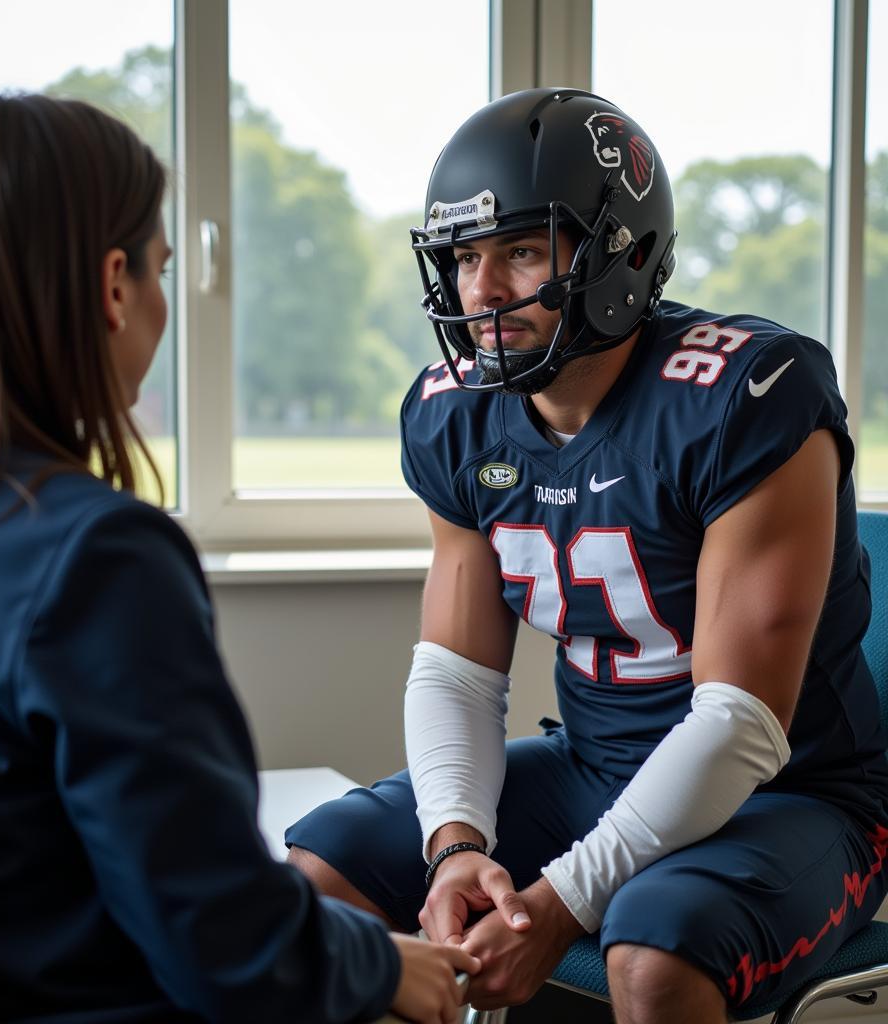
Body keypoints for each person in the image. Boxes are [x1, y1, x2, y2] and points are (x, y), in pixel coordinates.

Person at [0, 93, 479, 1024]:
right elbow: (230, 946)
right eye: (159, 270)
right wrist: (386, 967)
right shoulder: (95, 557)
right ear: (113, 286)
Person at [287, 87, 888, 1022]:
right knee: (318, 874)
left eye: (522, 251)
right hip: (593, 765)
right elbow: (455, 673)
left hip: (789, 793)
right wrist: (455, 845)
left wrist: (559, 904)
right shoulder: (456, 414)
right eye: (464, 255)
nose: (481, 290)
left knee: (651, 944)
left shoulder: (746, 395)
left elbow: (739, 725)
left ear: (624, 252)